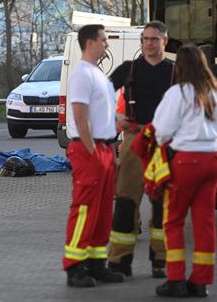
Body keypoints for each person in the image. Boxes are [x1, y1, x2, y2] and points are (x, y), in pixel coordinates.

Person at [153, 44, 217, 298]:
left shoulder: (178, 93)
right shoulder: (214, 93)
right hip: (212, 162)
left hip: (187, 162)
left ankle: (175, 279)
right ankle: (200, 282)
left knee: (173, 221)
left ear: (180, 66)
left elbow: (161, 131)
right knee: (204, 223)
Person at [107, 21, 174, 278]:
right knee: (125, 200)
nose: (148, 43)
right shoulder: (129, 69)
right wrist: (112, 121)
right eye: (145, 38)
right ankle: (119, 260)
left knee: (163, 202)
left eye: (154, 39)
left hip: (164, 141)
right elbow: (101, 93)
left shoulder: (174, 72)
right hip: (134, 138)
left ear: (165, 42)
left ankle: (161, 260)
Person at [63, 24, 125, 288]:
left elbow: (98, 114)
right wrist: (93, 152)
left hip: (102, 148)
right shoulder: (81, 75)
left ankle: (97, 263)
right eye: (103, 40)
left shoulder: (96, 74)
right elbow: (79, 116)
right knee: (85, 208)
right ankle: (75, 266)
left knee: (101, 210)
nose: (107, 45)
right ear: (90, 42)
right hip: (90, 150)